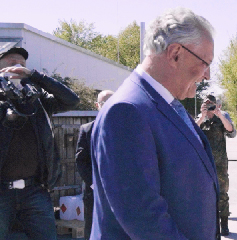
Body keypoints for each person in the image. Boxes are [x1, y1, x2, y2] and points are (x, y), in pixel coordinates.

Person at [90, 8, 220, 239]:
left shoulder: (163, 104)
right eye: (205, 63)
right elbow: (143, 217)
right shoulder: (127, 111)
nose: (207, 75)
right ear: (175, 53)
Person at [0, 47, 79, 238]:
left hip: (35, 191)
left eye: (22, 64)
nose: (17, 66)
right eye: (12, 62)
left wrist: (35, 76)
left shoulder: (37, 97)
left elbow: (71, 100)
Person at [75, 90, 114, 240]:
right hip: (94, 191)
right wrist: (94, 184)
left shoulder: (125, 128)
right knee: (92, 229)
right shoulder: (87, 130)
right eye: (104, 103)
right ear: (97, 105)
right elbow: (81, 161)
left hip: (120, 191)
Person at [195, 95, 235, 236]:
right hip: (204, 164)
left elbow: (231, 131)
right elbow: (191, 131)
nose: (209, 107)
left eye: (211, 104)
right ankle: (210, 225)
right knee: (205, 195)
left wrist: (219, 114)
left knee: (223, 194)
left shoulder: (221, 119)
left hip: (220, 164)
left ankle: (224, 224)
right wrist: (202, 116)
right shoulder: (200, 120)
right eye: (206, 104)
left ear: (215, 105)